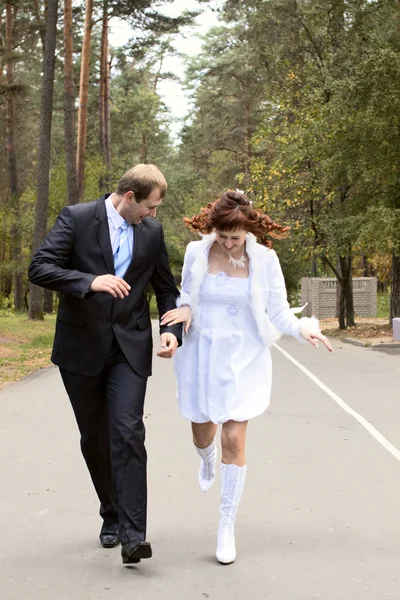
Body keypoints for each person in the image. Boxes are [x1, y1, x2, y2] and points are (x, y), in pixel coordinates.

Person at [161, 190, 332, 565]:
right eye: (222, 235)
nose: (228, 242)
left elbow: (278, 311)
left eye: (235, 237)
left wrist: (305, 329)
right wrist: (177, 323)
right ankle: (207, 461)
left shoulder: (265, 259)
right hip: (202, 352)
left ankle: (226, 524)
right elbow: (185, 296)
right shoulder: (196, 253)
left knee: (234, 436)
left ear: (248, 230)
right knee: (202, 432)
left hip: (245, 356)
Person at [28, 164, 182, 565]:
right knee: (95, 438)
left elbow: (165, 288)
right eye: (150, 207)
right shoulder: (77, 218)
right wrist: (90, 281)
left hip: (129, 348)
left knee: (128, 431)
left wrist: (171, 330)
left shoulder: (152, 233)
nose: (153, 215)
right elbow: (40, 267)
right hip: (81, 348)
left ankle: (134, 536)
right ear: (129, 197)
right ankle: (110, 512)